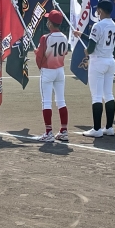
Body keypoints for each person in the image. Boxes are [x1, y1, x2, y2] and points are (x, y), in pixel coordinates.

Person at [77, 0, 115, 138]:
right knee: (109, 94)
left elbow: (91, 47)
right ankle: (109, 127)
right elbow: (113, 45)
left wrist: (87, 51)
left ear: (100, 10)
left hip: (98, 61)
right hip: (110, 60)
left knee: (96, 96)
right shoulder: (114, 25)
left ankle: (96, 129)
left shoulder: (97, 25)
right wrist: (82, 35)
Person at [31, 10, 70, 143]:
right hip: (60, 70)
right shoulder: (64, 37)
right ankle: (64, 130)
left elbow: (40, 56)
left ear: (50, 23)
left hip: (48, 71)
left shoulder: (45, 38)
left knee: (46, 101)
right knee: (61, 101)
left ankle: (48, 132)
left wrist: (38, 55)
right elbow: (65, 53)